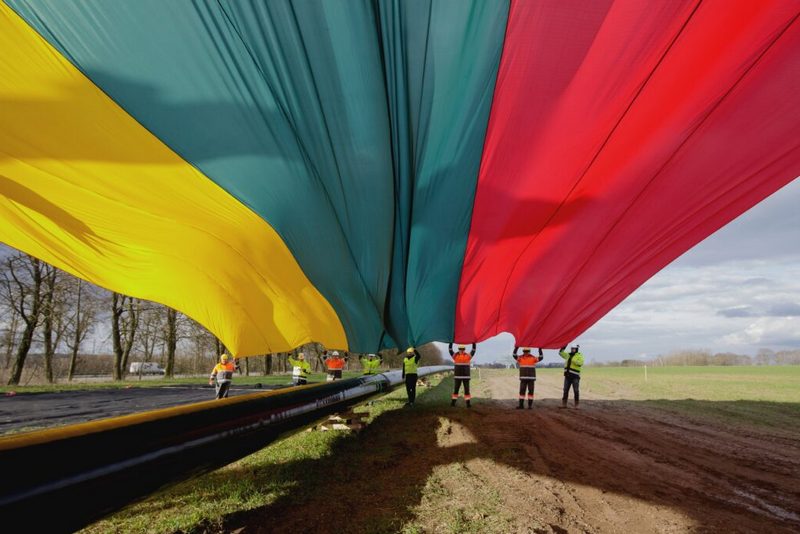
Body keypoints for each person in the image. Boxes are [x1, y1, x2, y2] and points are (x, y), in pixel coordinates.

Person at [448, 342, 476, 408]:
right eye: (460, 349)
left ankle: (468, 404)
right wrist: (451, 342)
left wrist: (473, 342)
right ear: (458, 349)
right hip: (458, 377)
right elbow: (450, 350)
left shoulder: (468, 356)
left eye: (463, 349)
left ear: (464, 349)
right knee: (456, 390)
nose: (461, 350)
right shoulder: (455, 356)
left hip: (466, 377)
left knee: (467, 391)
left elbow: (473, 350)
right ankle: (453, 403)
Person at [559, 344, 584, 409]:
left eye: (574, 349)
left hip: (575, 376)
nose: (572, 350)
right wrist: (564, 345)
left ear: (576, 349)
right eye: (572, 348)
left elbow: (581, 363)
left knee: (576, 390)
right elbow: (561, 353)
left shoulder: (579, 355)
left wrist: (573, 360)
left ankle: (576, 405)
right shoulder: (568, 355)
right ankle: (564, 404)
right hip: (567, 376)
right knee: (565, 390)